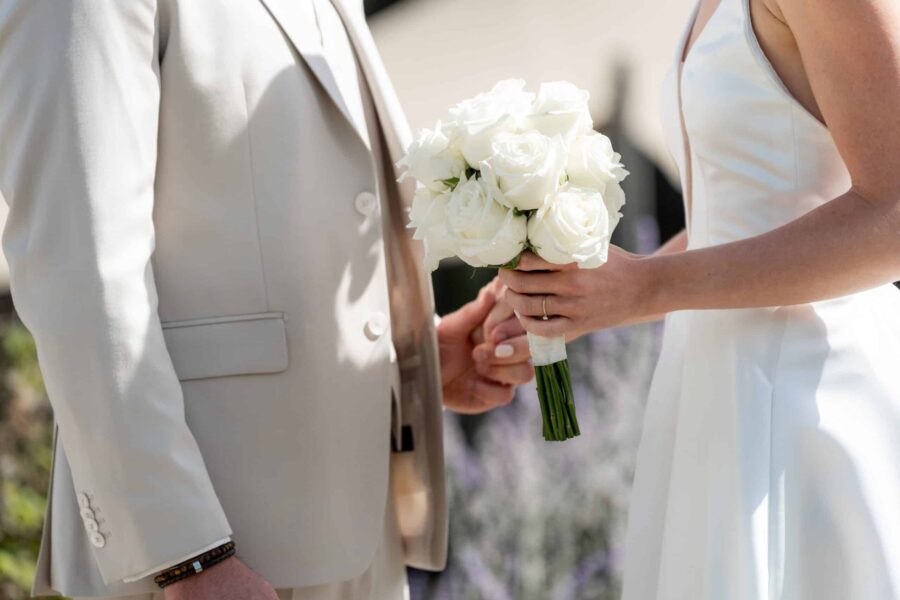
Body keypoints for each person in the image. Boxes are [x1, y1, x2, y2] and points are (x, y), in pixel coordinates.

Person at [0, 1, 533, 599]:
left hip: (356, 534)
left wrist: (408, 361)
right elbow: (80, 268)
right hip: (209, 558)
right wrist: (188, 559)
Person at [496, 0, 900, 597]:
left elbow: (893, 215)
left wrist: (647, 288)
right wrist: (594, 292)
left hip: (804, 395)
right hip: (709, 392)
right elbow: (739, 212)